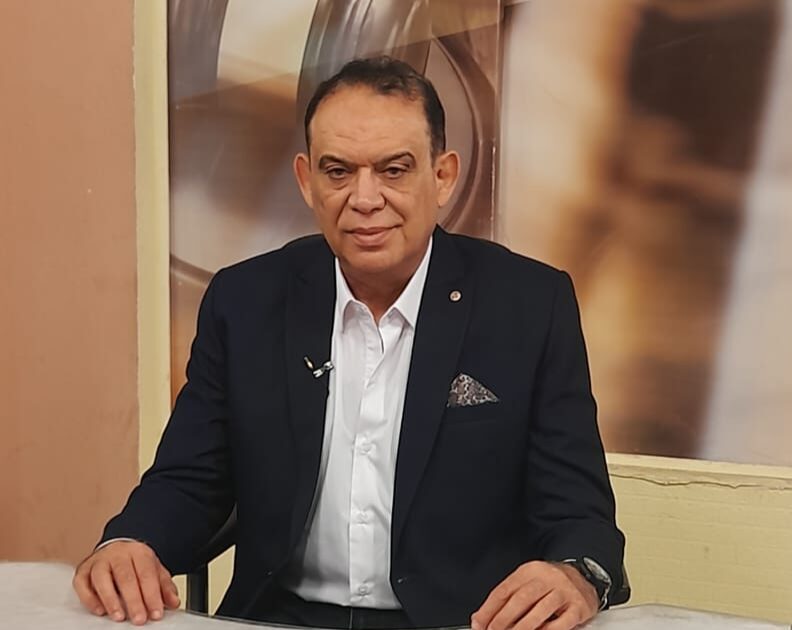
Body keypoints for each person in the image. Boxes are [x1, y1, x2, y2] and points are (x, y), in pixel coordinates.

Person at [73, 56, 624, 630]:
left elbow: (579, 512)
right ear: (306, 180)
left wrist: (575, 573)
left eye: (394, 170)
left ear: (443, 176)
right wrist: (130, 542)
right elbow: (191, 477)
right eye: (338, 171)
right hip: (281, 619)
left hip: (462, 621)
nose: (364, 198)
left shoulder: (529, 306)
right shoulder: (245, 301)